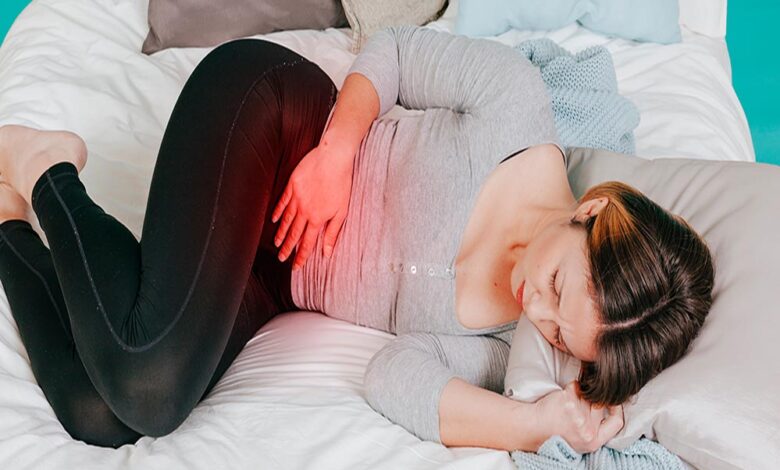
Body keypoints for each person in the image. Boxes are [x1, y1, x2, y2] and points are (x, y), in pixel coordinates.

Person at [0, 25, 714, 452]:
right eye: (559, 286)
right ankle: (46, 169)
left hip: (276, 274)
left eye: (558, 334)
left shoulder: (502, 346)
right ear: (593, 210)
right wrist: (339, 152)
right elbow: (395, 52)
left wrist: (533, 426)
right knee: (150, 387)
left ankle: (7, 220)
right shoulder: (515, 106)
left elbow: (394, 378)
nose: (537, 308)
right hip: (275, 128)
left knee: (104, 415)